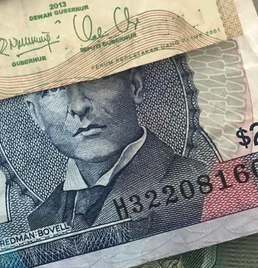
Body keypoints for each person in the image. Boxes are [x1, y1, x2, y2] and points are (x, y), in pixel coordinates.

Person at [24, 68, 205, 233]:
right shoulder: (40, 220)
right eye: (53, 89)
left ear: (135, 86)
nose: (78, 107)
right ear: (35, 114)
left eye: (95, 77)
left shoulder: (198, 181)